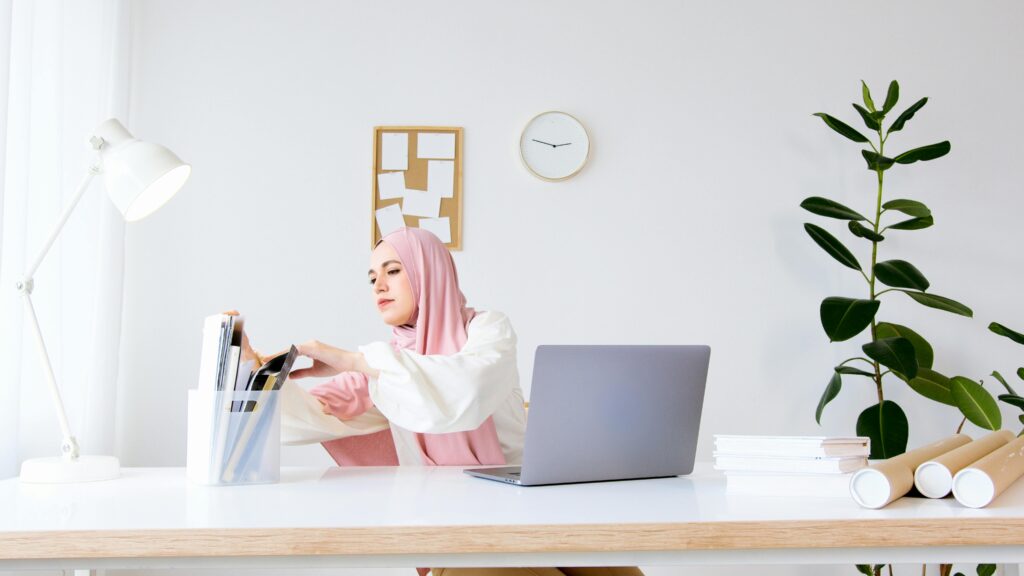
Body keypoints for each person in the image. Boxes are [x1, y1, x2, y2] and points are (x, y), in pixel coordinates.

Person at [239, 227, 641, 576]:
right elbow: (311, 416)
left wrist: (358, 362)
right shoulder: (382, 368)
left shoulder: (486, 330)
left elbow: (465, 391)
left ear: (428, 272)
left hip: (534, 509)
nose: (379, 286)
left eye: (393, 271)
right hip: (452, 529)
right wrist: (252, 376)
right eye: (372, 277)